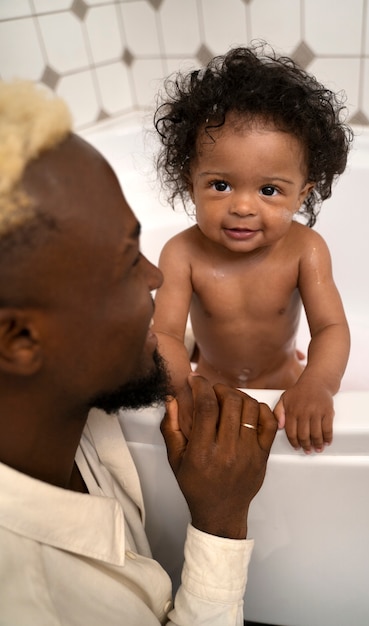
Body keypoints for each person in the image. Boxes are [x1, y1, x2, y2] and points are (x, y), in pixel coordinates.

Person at [0, 80, 278, 625]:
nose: (156, 277)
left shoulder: (53, 406)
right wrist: (219, 525)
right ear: (20, 340)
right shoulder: (34, 601)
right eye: (129, 262)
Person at [152, 42, 352, 454]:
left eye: (269, 190)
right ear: (192, 184)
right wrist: (184, 388)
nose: (242, 206)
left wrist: (317, 383)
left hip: (285, 383)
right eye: (220, 185)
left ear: (302, 196)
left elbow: (331, 328)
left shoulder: (306, 250)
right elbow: (165, 333)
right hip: (209, 384)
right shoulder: (181, 254)